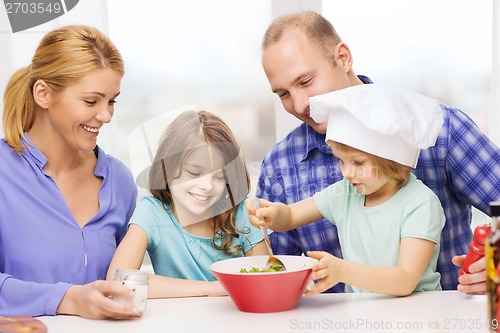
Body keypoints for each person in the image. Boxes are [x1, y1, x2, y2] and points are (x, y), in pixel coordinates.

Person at [257, 10, 500, 294]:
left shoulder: (440, 130)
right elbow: (274, 272)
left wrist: (496, 264)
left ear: (343, 58)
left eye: (306, 82)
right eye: (283, 94)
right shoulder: (281, 164)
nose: (299, 106)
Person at [247, 84, 446, 295]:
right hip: (362, 316)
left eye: (358, 163)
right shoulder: (346, 194)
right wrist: (273, 213)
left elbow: (404, 281)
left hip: (415, 316)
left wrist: (342, 271)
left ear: (392, 159)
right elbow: (290, 216)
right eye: (341, 161)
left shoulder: (420, 203)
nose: (347, 173)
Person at [0, 25, 140, 319]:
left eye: (111, 100)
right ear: (43, 94)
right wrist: (67, 299)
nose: (106, 115)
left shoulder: (120, 181)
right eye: (91, 101)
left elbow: (125, 280)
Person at [107, 110, 268, 298]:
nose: (207, 186)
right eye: (194, 173)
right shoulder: (152, 211)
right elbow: (118, 281)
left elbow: (264, 280)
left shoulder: (241, 211)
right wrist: (210, 289)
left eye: (219, 177)